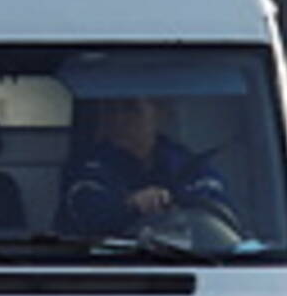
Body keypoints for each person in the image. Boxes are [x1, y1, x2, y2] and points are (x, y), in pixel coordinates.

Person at [59, 96, 236, 236]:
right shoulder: (85, 170)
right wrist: (130, 205)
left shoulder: (189, 166)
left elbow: (216, 207)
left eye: (130, 108)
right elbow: (89, 212)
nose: (119, 120)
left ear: (159, 114)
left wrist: (171, 203)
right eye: (111, 111)